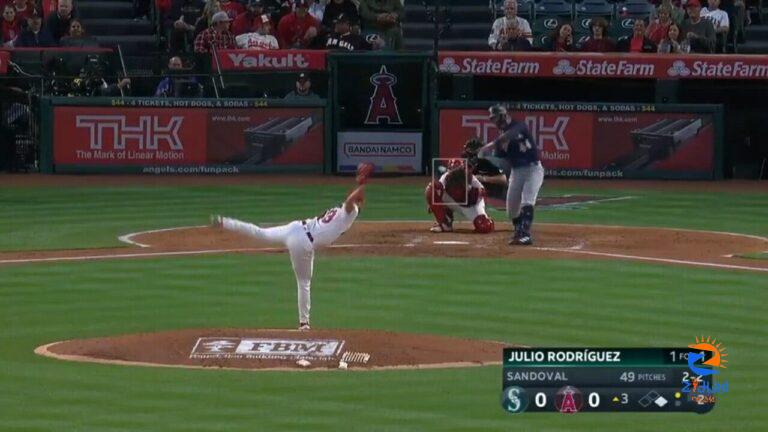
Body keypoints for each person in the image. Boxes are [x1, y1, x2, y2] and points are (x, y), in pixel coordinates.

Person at [211, 162, 374, 330]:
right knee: (304, 282)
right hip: (303, 243)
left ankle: (224, 222)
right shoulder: (351, 212)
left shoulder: (338, 210)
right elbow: (351, 200)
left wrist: (359, 186)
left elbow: (351, 198)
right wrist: (362, 185)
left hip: (295, 228)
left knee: (261, 232)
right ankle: (304, 323)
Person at [478, 105, 543, 246]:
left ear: (502, 115)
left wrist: (489, 146)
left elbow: (511, 135)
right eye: (492, 119)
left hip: (533, 170)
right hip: (517, 172)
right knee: (512, 210)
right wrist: (481, 158)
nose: (494, 121)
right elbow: (500, 158)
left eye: (495, 118)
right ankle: (519, 230)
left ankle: (525, 235)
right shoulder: (501, 137)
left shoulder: (518, 126)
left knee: (527, 201)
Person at [316, 13, 382, 50]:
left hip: (347, 67)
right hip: (328, 66)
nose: (336, 25)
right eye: (336, 23)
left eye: (340, 23)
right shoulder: (328, 35)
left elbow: (372, 47)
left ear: (347, 24)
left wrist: (378, 43)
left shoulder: (356, 38)